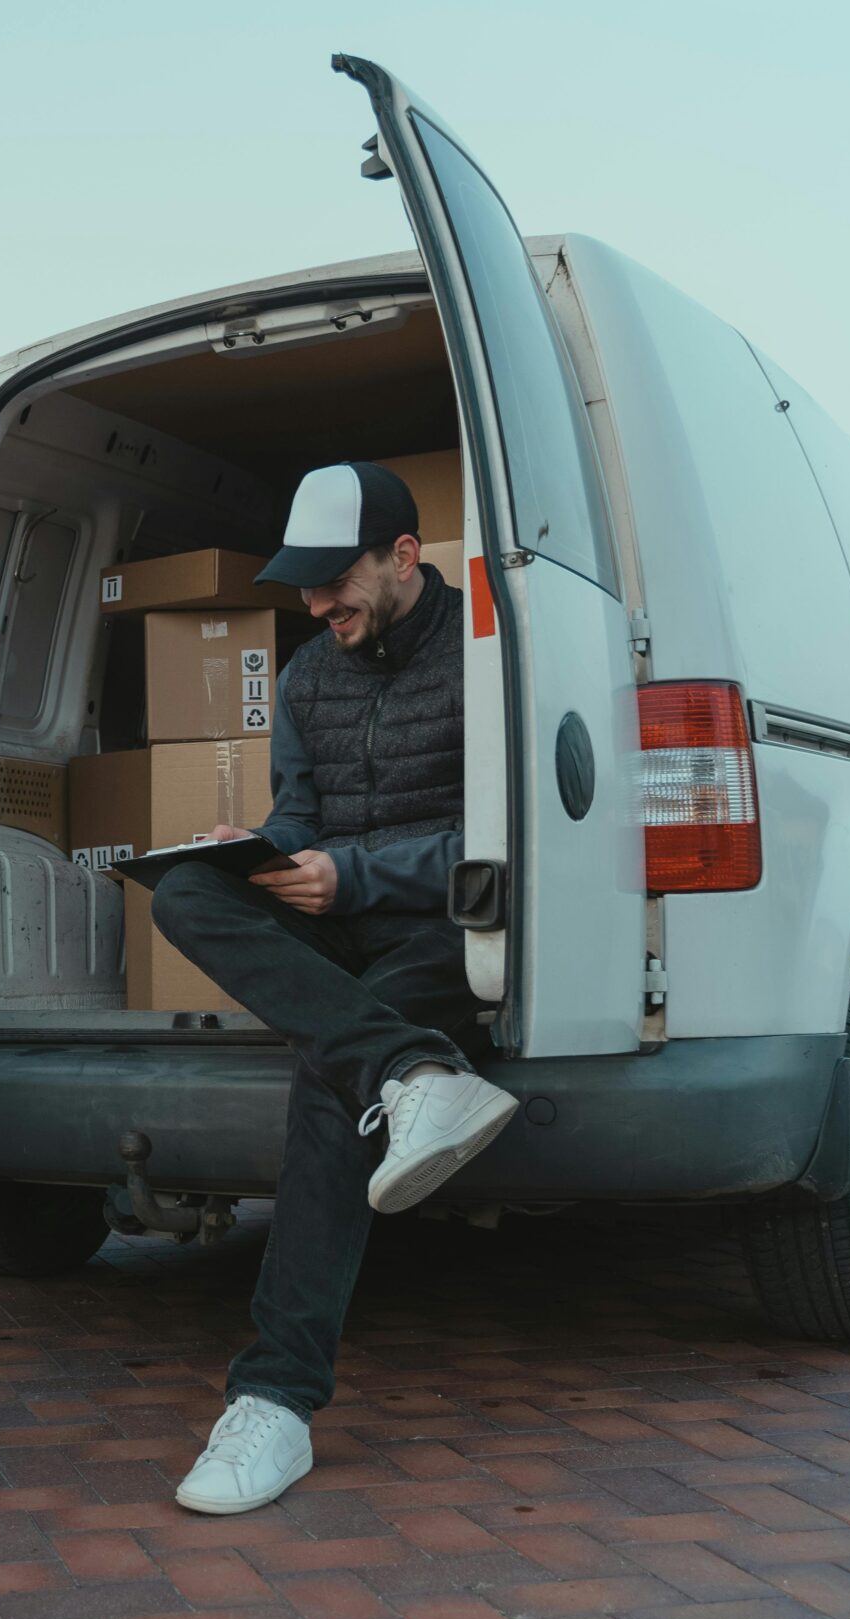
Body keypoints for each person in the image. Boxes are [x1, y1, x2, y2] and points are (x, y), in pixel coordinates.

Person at [153, 460, 519, 1517]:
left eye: (332, 581)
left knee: (326, 1079)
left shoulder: (487, 661)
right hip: (331, 920)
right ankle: (408, 1073)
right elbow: (303, 818)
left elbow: (502, 840)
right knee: (184, 893)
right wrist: (262, 850)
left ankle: (273, 1400)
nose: (315, 606)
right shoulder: (309, 677)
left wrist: (351, 875)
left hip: (443, 926)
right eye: (303, 586)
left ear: (403, 556)